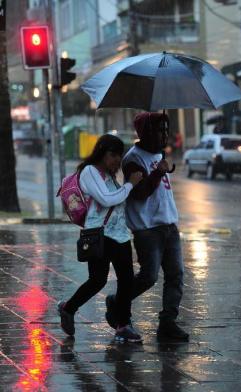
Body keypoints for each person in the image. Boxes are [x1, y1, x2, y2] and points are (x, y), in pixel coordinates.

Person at [105, 112, 189, 341]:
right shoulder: (133, 159)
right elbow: (140, 194)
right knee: (149, 276)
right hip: (147, 229)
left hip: (169, 225)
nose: (164, 135)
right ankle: (118, 300)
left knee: (176, 275)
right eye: (159, 130)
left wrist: (160, 168)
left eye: (165, 130)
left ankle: (168, 323)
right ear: (145, 132)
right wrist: (158, 172)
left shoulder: (158, 154)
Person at [57, 134, 143, 342]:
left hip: (120, 236)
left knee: (126, 280)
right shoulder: (89, 172)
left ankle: (123, 324)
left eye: (119, 156)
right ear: (102, 153)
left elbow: (119, 204)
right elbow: (106, 199)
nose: (116, 160)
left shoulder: (111, 177)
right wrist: (130, 185)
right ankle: (68, 307)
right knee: (97, 280)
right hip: (99, 235)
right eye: (112, 155)